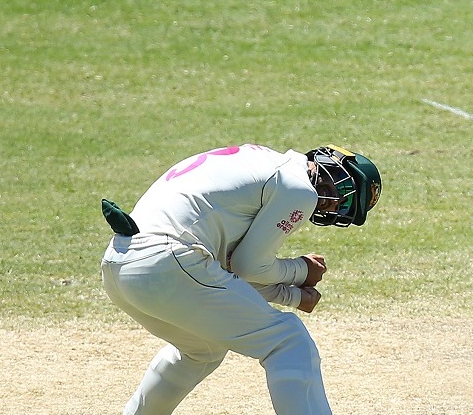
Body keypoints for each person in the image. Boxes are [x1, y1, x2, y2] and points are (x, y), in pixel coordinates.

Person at [100, 143, 382, 415]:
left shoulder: (262, 163)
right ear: (327, 161)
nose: (334, 202)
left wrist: (293, 296)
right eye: (343, 189)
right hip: (167, 260)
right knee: (288, 341)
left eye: (344, 206)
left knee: (202, 350)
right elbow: (249, 266)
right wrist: (301, 271)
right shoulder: (298, 187)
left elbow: (228, 273)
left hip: (120, 263)